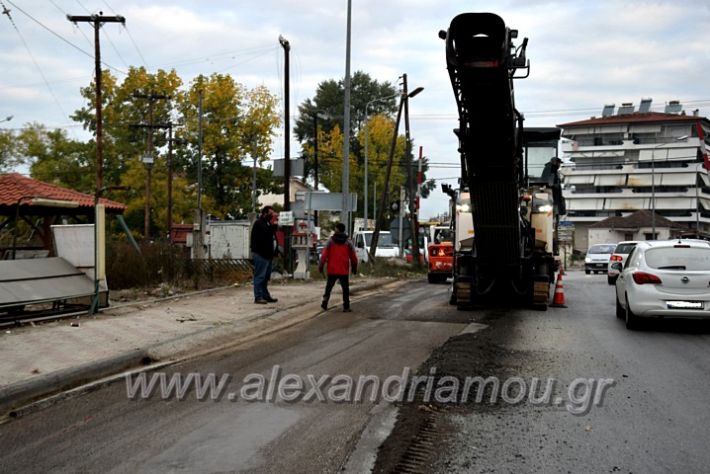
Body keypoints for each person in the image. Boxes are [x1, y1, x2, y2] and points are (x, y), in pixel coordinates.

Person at [319, 223, 358, 312]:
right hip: (343, 270)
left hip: (332, 269)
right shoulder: (348, 242)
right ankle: (346, 306)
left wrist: (321, 265)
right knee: (345, 289)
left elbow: (324, 255)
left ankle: (324, 303)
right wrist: (354, 266)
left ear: (337, 229)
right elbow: (353, 256)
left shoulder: (330, 241)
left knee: (328, 288)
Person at [250, 206, 278, 304]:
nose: (272, 215)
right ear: (265, 213)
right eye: (270, 213)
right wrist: (274, 224)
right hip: (261, 254)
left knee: (266, 277)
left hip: (268, 255)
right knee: (260, 276)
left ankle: (265, 295)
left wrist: (275, 251)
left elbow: (272, 237)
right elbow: (267, 233)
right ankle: (258, 296)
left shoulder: (267, 223)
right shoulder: (259, 223)